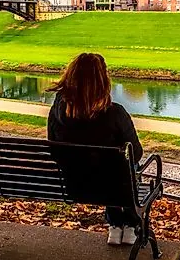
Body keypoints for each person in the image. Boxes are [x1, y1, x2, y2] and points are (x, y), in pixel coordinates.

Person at [47, 52, 143, 246]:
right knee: (123, 168)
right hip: (113, 185)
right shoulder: (115, 113)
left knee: (112, 168)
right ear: (103, 81)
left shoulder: (58, 109)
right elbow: (137, 154)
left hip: (75, 185)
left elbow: (54, 149)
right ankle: (131, 225)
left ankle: (115, 226)